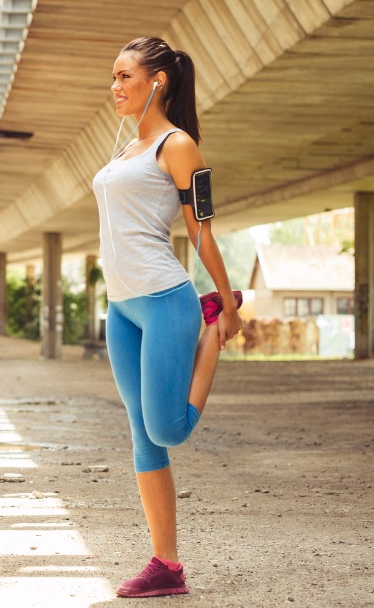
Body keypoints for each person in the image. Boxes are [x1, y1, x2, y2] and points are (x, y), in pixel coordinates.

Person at [91, 36, 242, 598]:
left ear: (158, 81)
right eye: (113, 76)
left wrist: (224, 305)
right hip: (121, 307)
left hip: (164, 299)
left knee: (168, 428)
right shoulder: (126, 149)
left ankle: (209, 334)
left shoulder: (178, 146)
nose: (115, 87)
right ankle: (167, 566)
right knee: (142, 439)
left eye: (125, 76)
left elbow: (202, 232)